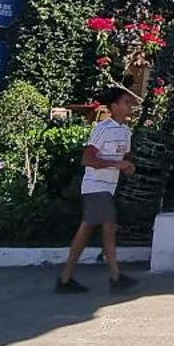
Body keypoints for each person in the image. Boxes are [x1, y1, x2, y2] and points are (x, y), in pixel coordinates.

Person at [56, 86, 141, 295]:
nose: (130, 106)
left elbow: (126, 158)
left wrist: (128, 166)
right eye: (126, 103)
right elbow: (88, 158)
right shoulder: (102, 128)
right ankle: (115, 277)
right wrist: (116, 165)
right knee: (109, 227)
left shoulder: (126, 132)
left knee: (86, 230)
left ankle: (65, 279)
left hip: (108, 188)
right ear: (114, 107)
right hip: (95, 186)